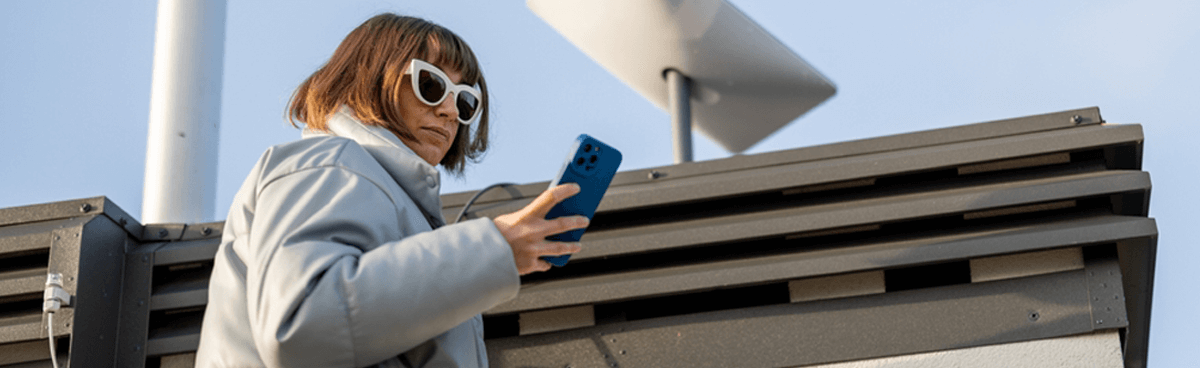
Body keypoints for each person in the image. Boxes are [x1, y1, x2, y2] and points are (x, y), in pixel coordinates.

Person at [195, 13, 587, 367]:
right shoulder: (330, 162)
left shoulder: (395, 203)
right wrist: (494, 249)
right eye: (431, 83)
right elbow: (304, 322)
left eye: (466, 100)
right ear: (367, 77)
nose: (451, 111)